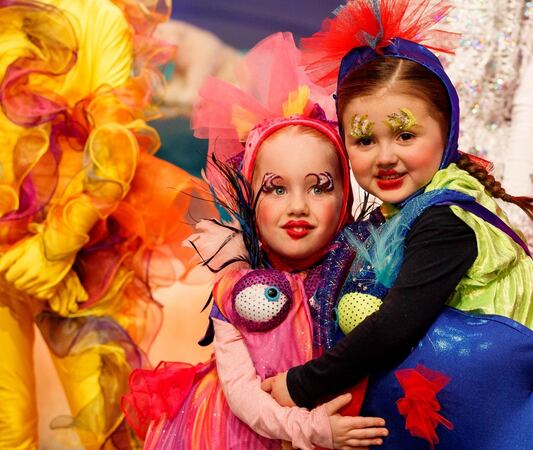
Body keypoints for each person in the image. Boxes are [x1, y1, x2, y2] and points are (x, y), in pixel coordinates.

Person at [263, 2, 533, 448]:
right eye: (364, 140)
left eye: (405, 135)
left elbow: (393, 329)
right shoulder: (400, 213)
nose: (385, 157)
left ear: (447, 131)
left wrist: (301, 385)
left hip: (483, 421)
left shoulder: (445, 222)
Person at [122, 32, 388, 450]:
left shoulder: (363, 273)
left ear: (345, 197)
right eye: (276, 189)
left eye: (318, 187)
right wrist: (312, 429)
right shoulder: (235, 288)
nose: (297, 207)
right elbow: (243, 395)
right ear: (250, 198)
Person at [0, 0, 200, 447]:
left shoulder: (96, 17)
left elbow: (112, 146)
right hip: (13, 257)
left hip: (81, 257)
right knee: (6, 426)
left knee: (107, 423)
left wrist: (56, 243)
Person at [442, 0, 533, 267]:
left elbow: (530, 110)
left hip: (501, 179)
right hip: (411, 166)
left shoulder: (524, 5)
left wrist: (514, 210)